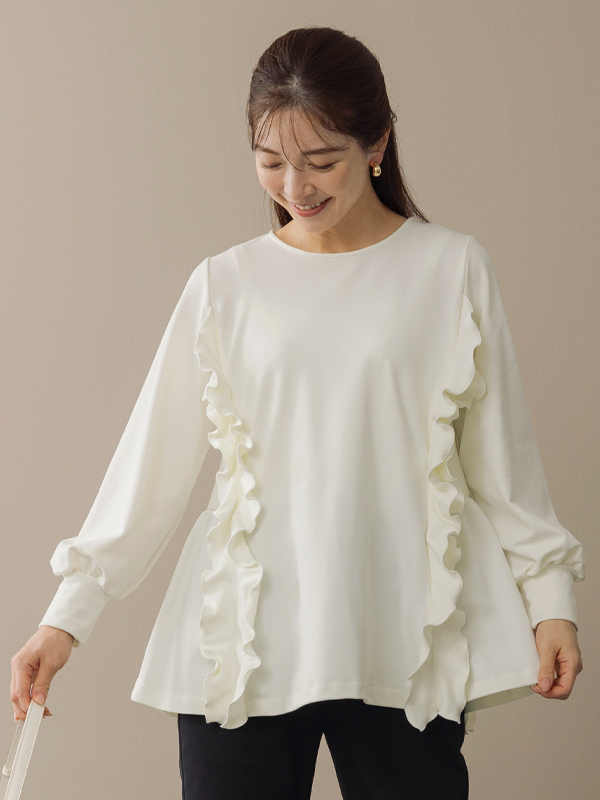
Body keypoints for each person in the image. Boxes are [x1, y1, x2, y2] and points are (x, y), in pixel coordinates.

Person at [10, 25, 585, 800]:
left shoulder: (451, 269)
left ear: (377, 143)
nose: (295, 185)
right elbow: (150, 467)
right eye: (271, 160)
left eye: (321, 160)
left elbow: (502, 462)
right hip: (241, 644)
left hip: (400, 637)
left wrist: (551, 603)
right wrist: (64, 619)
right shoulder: (224, 285)